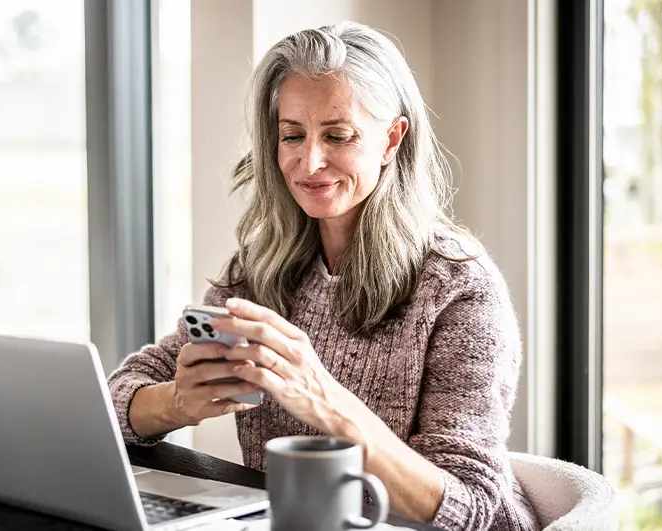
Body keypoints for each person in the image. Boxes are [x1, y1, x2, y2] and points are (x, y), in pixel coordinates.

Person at [108, 21, 539, 530]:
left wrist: (324, 400)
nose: (309, 161)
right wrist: (176, 403)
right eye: (292, 135)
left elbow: (477, 510)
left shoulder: (460, 291)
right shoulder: (258, 271)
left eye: (338, 135)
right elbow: (115, 398)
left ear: (391, 139)